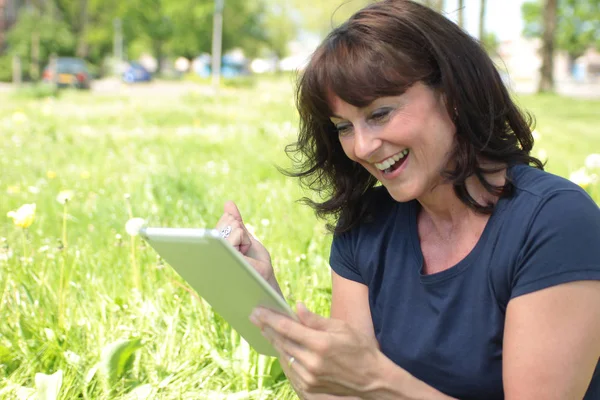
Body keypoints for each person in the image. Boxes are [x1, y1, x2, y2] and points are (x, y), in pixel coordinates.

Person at [215, 1, 600, 399]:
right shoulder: (366, 225)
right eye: (344, 127)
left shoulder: (555, 223)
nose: (362, 147)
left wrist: (377, 381)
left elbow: (366, 384)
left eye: (380, 114)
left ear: (452, 94)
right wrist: (264, 301)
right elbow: (341, 395)